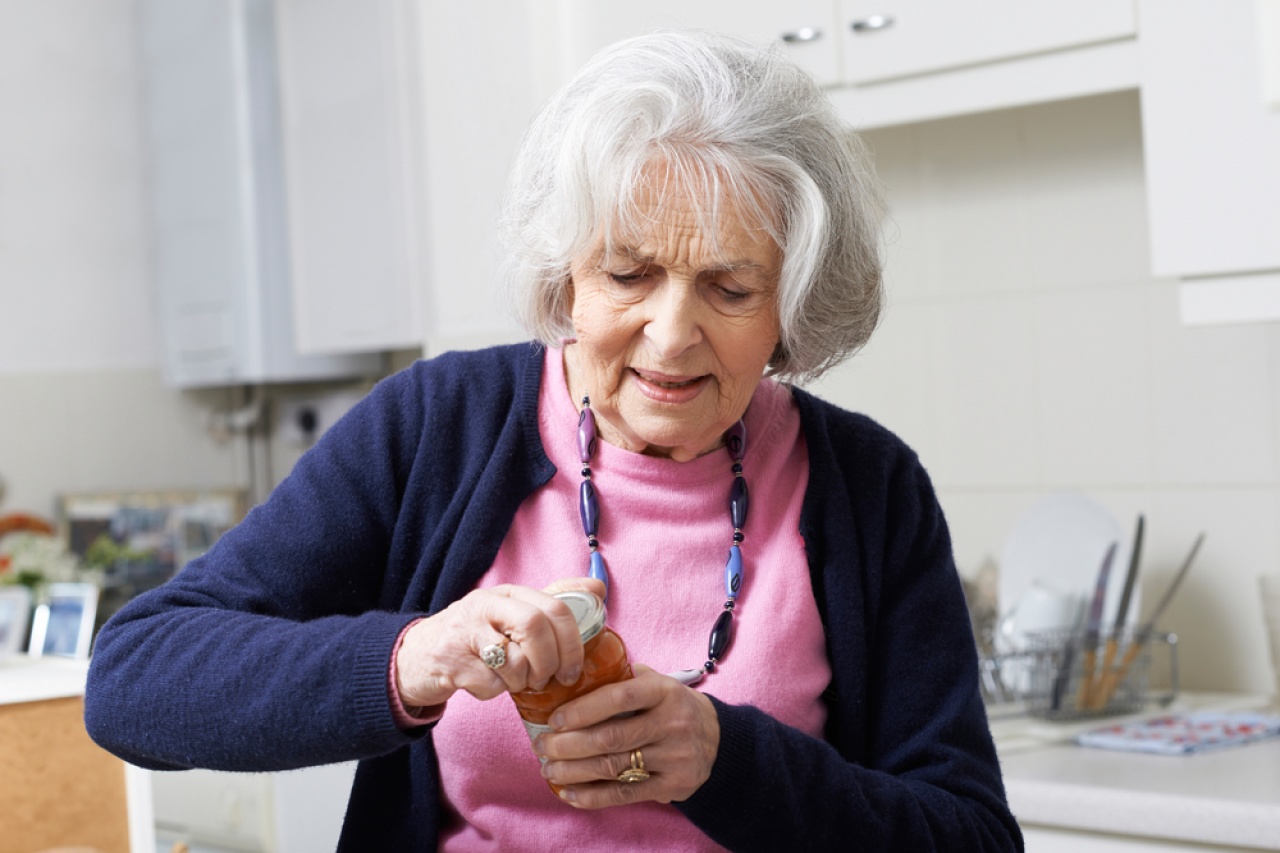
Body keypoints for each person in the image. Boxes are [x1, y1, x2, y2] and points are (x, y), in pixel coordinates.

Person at [85, 31, 1023, 852]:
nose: (669, 333)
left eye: (730, 289)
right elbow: (134, 680)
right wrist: (415, 658)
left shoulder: (869, 486)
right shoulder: (437, 426)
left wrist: (726, 758)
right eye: (628, 273)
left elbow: (972, 832)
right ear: (564, 275)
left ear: (791, 310)